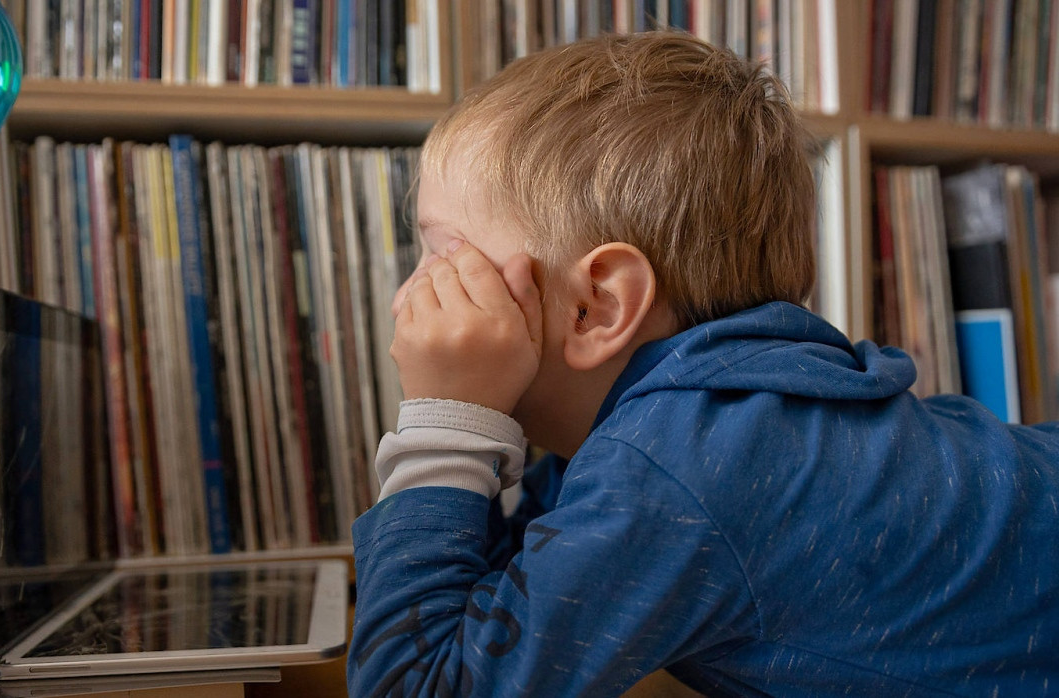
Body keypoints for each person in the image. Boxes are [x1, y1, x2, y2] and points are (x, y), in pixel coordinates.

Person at [346, 31, 1059, 698]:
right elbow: (492, 594)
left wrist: (447, 422)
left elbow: (416, 682)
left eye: (447, 259)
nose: (413, 299)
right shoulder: (692, 418)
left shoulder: (677, 469)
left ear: (596, 306)